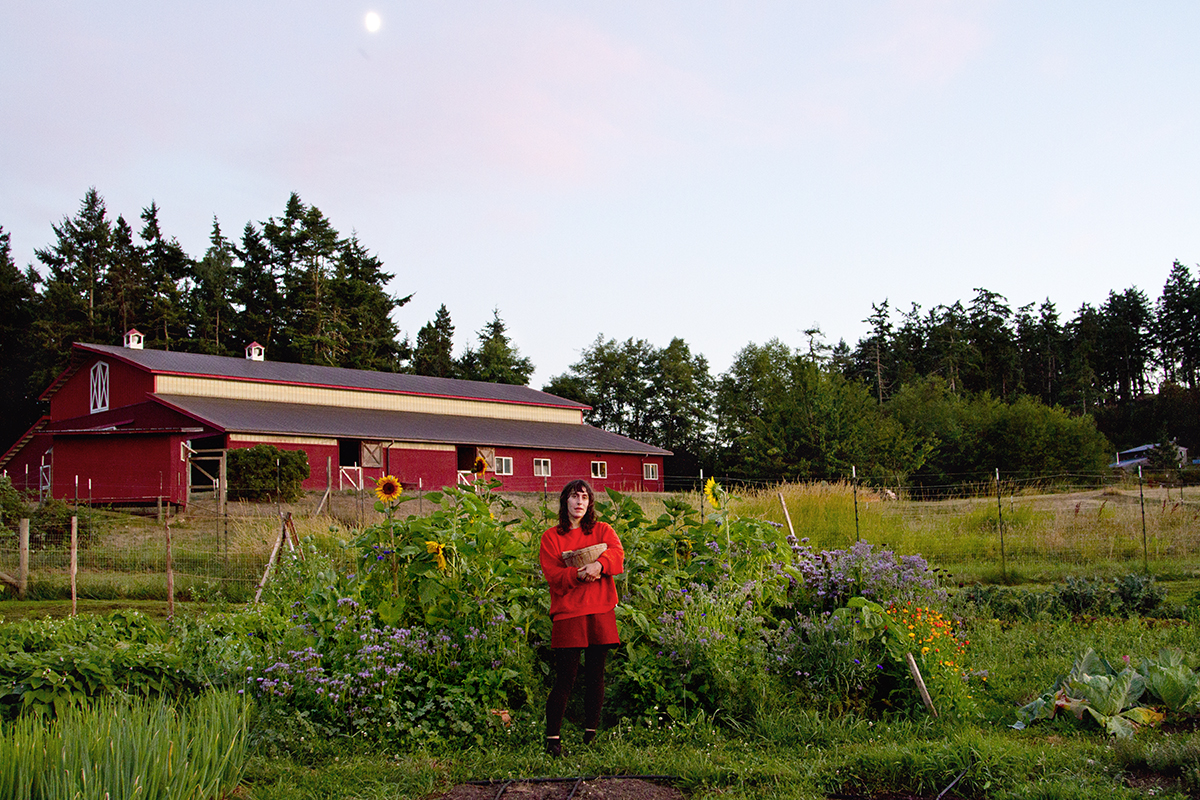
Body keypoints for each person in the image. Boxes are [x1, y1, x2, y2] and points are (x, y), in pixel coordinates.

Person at [539, 479, 624, 757]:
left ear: (590, 504)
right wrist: (577, 573)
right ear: (565, 501)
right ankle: (553, 740)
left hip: (600, 609)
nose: (579, 502)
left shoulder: (603, 530)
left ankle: (591, 735)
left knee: (596, 675)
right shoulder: (551, 537)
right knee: (566, 677)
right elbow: (553, 575)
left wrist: (599, 565)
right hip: (569, 612)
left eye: (585, 498)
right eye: (574, 497)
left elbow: (617, 554)